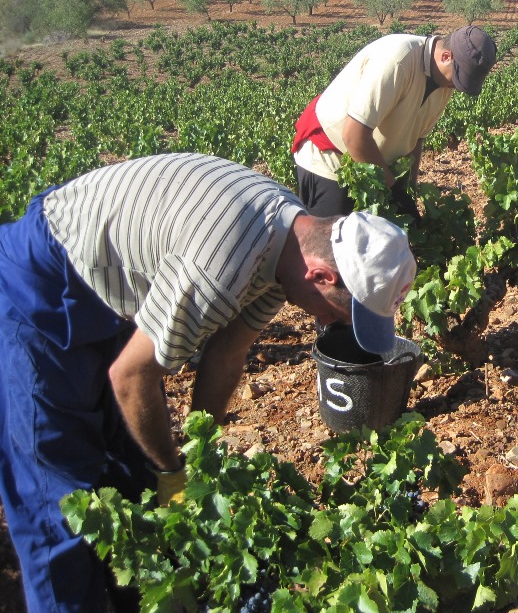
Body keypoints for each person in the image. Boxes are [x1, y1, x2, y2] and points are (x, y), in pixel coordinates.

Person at [0, 152, 416, 613]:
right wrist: (173, 473)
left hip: (113, 289)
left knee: (130, 476)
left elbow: (226, 355)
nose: (326, 323)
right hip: (44, 285)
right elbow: (131, 376)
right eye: (337, 316)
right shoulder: (221, 264)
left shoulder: (287, 248)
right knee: (59, 504)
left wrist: (201, 455)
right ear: (320, 275)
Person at [292, 25, 498, 218]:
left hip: (371, 170)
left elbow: (416, 140)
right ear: (446, 57)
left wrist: (409, 193)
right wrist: (393, 192)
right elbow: (354, 136)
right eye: (458, 80)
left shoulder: (446, 81)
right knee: (331, 251)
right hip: (330, 161)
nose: (455, 87)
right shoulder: (398, 59)